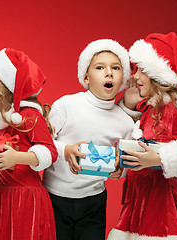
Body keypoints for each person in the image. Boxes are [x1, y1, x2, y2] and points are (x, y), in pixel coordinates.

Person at [107, 32, 177, 240]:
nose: (135, 76)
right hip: (138, 199)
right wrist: (124, 163)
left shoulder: (172, 109)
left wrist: (158, 159)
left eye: (142, 70)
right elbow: (145, 145)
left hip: (160, 205)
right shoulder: (150, 110)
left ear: (159, 76)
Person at [42, 39, 136, 240]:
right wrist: (65, 150)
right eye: (100, 67)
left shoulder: (125, 122)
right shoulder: (67, 105)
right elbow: (42, 142)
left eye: (116, 68)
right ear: (86, 77)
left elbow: (126, 163)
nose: (109, 72)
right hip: (53, 197)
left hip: (93, 202)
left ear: (123, 79)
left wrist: (121, 169)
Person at [0, 48, 58, 240]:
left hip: (27, 198)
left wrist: (17, 157)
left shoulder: (29, 117)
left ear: (7, 87)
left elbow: (50, 152)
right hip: (3, 194)